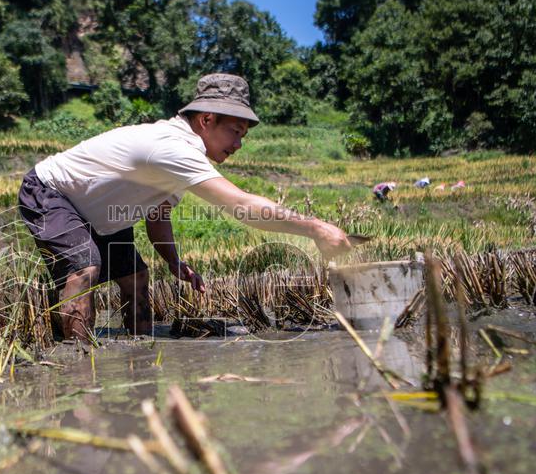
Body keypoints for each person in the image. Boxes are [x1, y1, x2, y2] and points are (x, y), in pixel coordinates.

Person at [18, 73, 353, 341]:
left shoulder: (180, 158)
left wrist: (174, 262)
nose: (238, 144)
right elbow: (240, 205)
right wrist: (314, 227)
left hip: (100, 213)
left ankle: (142, 350)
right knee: (84, 268)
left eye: (243, 136)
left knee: (136, 276)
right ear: (206, 119)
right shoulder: (172, 148)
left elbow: (157, 215)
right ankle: (79, 361)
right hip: (52, 192)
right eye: (235, 132)